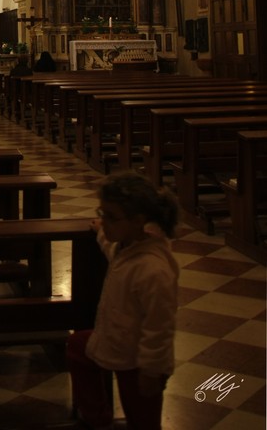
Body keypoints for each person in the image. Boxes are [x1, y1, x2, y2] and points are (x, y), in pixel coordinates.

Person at [66, 172, 179, 430]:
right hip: (114, 340)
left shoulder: (153, 270)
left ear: (138, 220)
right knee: (77, 346)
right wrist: (100, 232)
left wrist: (151, 372)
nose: (104, 221)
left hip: (139, 363)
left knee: (143, 421)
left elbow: (159, 329)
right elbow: (112, 249)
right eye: (102, 213)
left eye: (110, 216)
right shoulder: (128, 244)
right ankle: (97, 418)